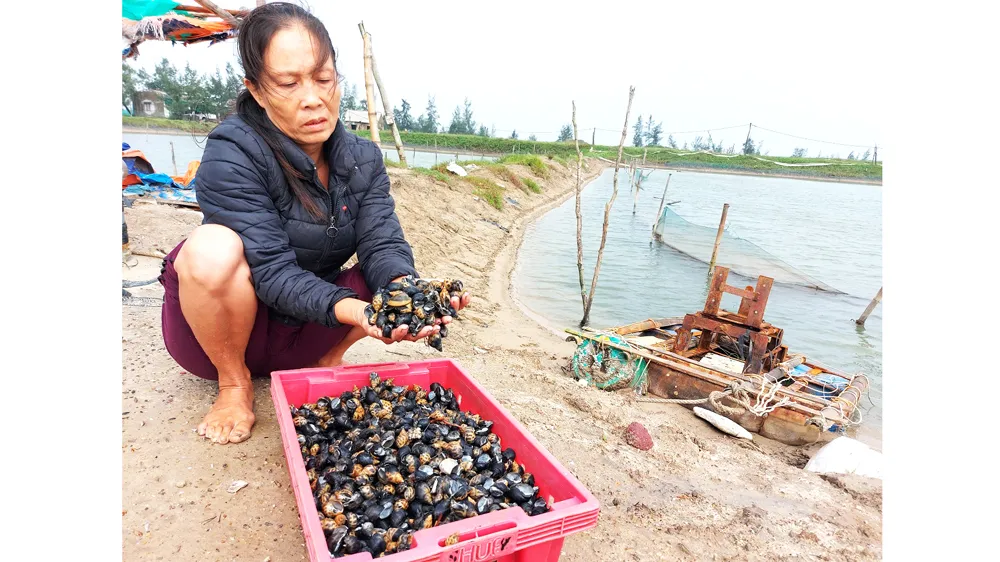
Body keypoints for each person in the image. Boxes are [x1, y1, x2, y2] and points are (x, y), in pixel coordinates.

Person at [157, 2, 470, 445]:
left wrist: (410, 298)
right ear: (258, 91)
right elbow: (272, 272)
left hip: (305, 331)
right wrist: (363, 313)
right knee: (211, 248)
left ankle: (325, 362)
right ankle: (234, 384)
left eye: (323, 79)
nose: (313, 98)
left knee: (387, 277)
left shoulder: (363, 158)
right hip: (223, 338)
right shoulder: (232, 152)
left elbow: (382, 243)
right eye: (288, 83)